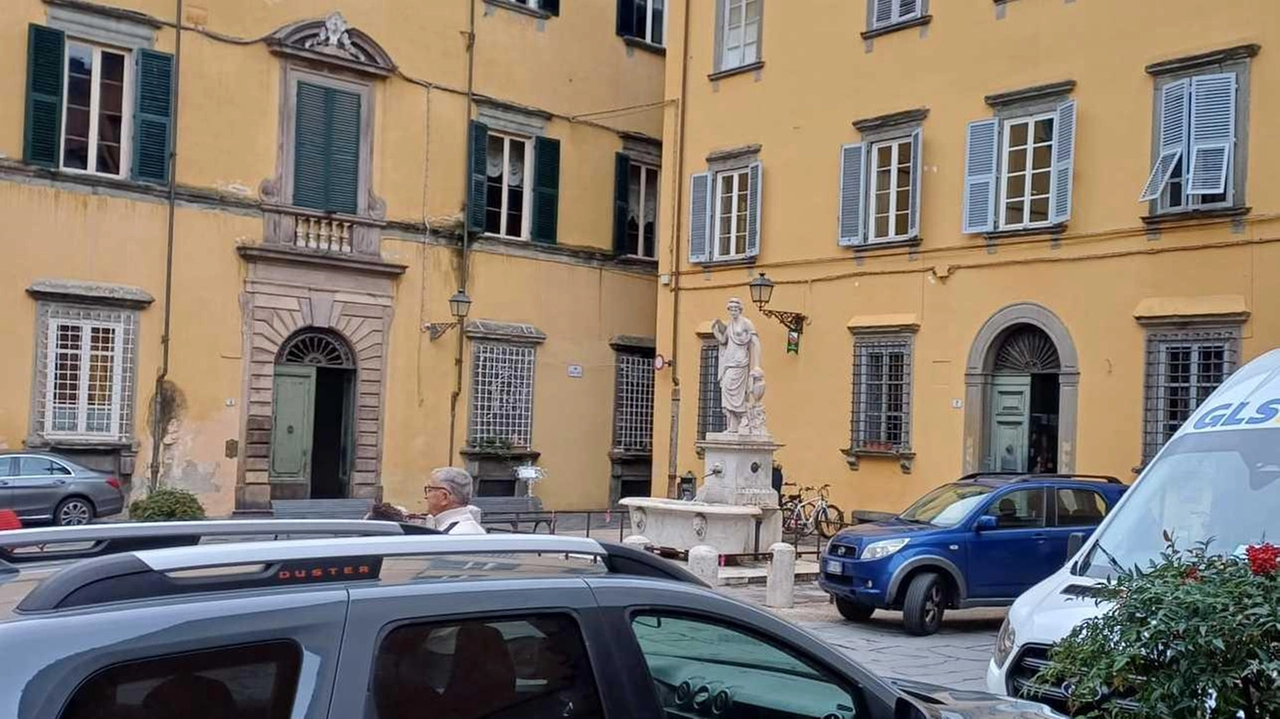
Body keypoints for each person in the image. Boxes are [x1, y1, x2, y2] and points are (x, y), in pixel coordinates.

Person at [424, 467, 486, 534]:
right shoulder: (477, 529)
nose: (426, 496)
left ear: (444, 497)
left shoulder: (447, 536)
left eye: (429, 490)